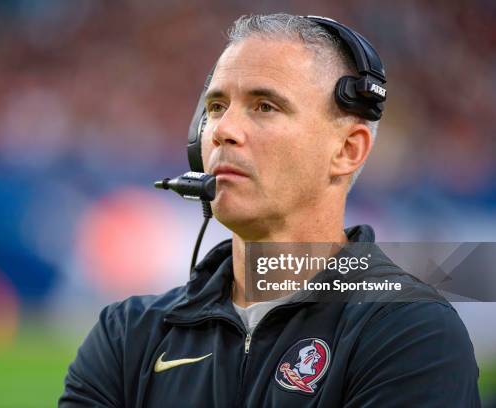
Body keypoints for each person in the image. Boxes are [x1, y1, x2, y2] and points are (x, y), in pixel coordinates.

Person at [59, 14, 480, 407]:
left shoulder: (411, 333)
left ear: (347, 150)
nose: (223, 130)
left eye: (265, 106)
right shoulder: (126, 335)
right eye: (216, 107)